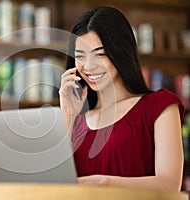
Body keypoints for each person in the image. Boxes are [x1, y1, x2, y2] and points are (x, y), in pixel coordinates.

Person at [59, 6, 185, 192]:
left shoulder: (159, 106)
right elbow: (52, 185)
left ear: (121, 51)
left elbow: (169, 185)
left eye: (99, 54)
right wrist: (67, 116)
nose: (88, 66)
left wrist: (101, 183)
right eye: (80, 57)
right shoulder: (75, 119)